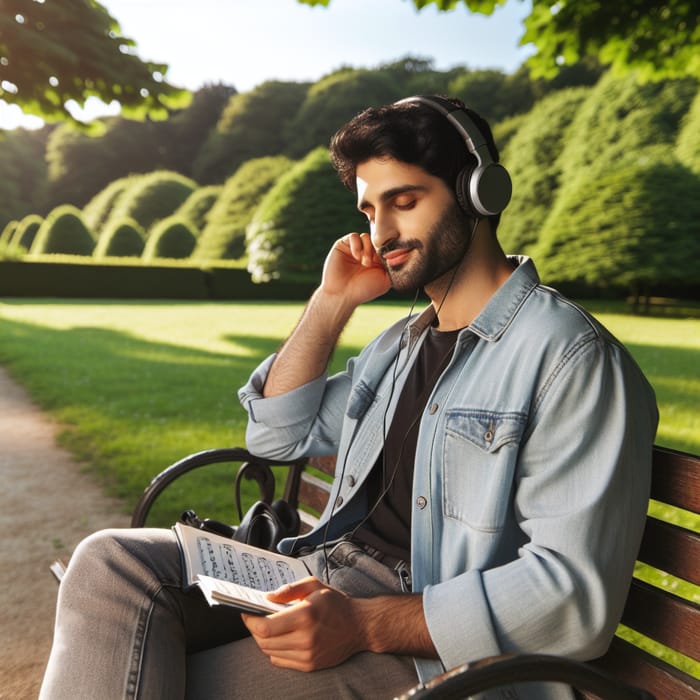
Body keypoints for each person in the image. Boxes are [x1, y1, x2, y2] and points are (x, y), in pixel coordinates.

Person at [40, 96, 658, 700]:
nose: (380, 232)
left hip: (432, 649)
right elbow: (276, 435)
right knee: (109, 565)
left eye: (404, 201)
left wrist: (365, 624)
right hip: (320, 573)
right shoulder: (402, 346)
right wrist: (331, 302)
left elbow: (574, 599)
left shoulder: (570, 357)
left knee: (165, 680)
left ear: (480, 193)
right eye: (368, 209)